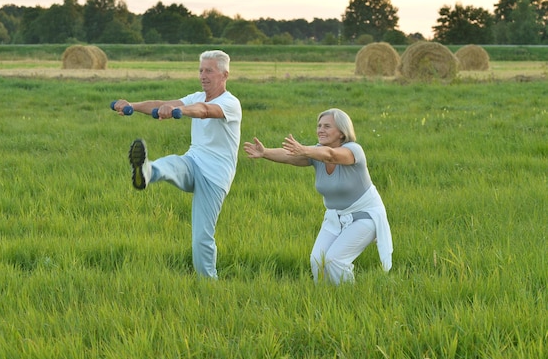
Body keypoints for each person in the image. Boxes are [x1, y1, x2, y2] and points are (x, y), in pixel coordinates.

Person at [113, 50, 241, 280]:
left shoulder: (230, 103)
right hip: (193, 162)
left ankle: (208, 284)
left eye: (209, 70)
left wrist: (178, 111)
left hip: (215, 177)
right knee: (172, 163)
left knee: (201, 236)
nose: (203, 75)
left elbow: (204, 112)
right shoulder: (196, 96)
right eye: (201, 70)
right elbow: (160, 104)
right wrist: (130, 104)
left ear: (224, 74)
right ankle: (145, 171)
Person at [243, 108, 392, 284]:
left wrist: (305, 149)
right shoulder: (316, 153)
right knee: (317, 260)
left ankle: (348, 299)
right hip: (336, 217)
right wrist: (265, 152)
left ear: (342, 133)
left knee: (335, 260)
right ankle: (326, 297)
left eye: (327, 126)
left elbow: (331, 155)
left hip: (365, 217)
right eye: (319, 125)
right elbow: (289, 156)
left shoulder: (353, 150)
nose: (320, 129)